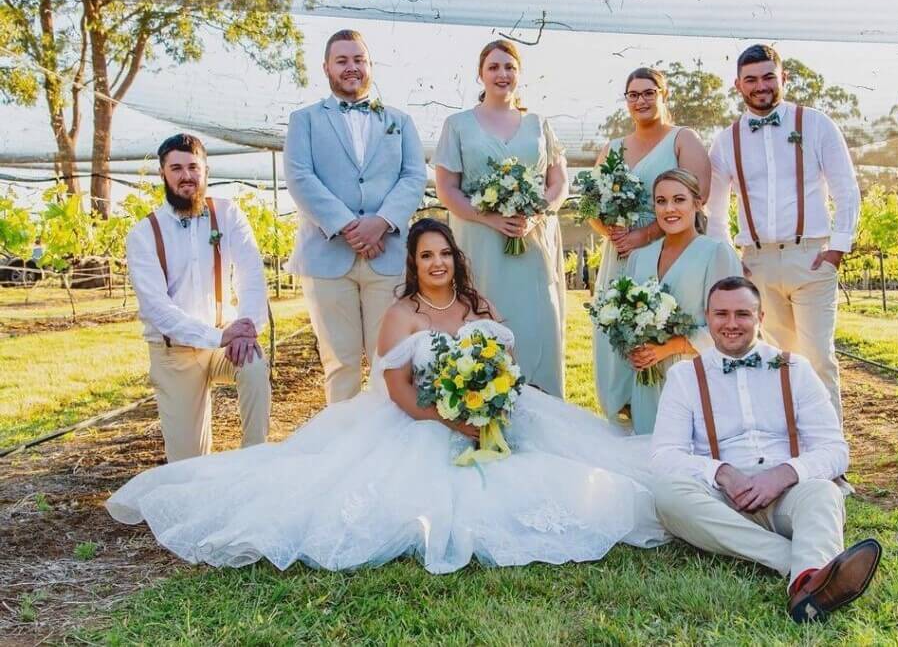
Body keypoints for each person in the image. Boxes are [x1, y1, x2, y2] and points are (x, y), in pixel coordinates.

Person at [107, 219, 668, 573]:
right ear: (414, 265)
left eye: (444, 254)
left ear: (455, 258)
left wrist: (491, 406)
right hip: (420, 423)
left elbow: (509, 367)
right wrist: (451, 419)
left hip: (493, 418)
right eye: (426, 257)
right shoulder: (400, 316)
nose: (437, 264)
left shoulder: (480, 308)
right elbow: (397, 391)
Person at [651, 276, 880, 623]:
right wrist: (721, 473)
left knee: (823, 494)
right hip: (722, 501)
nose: (731, 324)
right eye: (721, 314)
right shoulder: (684, 377)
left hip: (787, 495)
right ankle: (806, 571)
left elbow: (835, 449)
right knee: (667, 496)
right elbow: (663, 456)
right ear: (707, 318)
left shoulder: (796, 369)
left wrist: (784, 474)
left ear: (760, 318)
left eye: (742, 314)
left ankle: (805, 585)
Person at [706, 44, 860, 421]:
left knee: (818, 360)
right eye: (751, 79)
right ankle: (789, 450)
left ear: (783, 78)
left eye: (768, 77)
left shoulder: (817, 124)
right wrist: (731, 262)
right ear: (738, 85)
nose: (761, 86)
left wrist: (837, 249)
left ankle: (830, 462)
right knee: (776, 361)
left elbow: (846, 188)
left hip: (809, 257)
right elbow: (714, 208)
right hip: (755, 264)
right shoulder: (726, 140)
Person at [284, 28, 427, 405]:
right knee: (340, 364)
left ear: (370, 65)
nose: (352, 68)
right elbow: (300, 177)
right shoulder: (305, 121)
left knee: (391, 361)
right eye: (342, 60)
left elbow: (414, 176)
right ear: (327, 68)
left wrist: (380, 222)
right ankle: (343, 453)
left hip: (388, 256)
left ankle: (388, 448)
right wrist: (350, 227)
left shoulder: (401, 121)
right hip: (326, 257)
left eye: (358, 59)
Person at [433, 39, 568, 397]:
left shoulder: (540, 124)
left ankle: (544, 403)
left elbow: (559, 183)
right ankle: (483, 402)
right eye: (493, 67)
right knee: (484, 317)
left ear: (519, 74)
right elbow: (447, 188)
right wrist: (490, 219)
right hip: (479, 242)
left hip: (532, 242)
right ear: (480, 75)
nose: (502, 74)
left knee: (538, 320)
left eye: (509, 67)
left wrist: (538, 213)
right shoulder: (458, 125)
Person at [125, 134, 270, 462]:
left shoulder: (228, 214)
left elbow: (251, 274)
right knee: (188, 464)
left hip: (226, 341)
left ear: (206, 171)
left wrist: (246, 328)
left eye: (193, 167)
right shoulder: (144, 234)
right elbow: (158, 309)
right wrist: (218, 336)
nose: (186, 175)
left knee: (254, 363)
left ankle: (255, 464)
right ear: (163, 173)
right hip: (174, 353)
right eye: (176, 168)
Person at [591, 67, 712, 423]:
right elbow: (592, 205)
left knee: (659, 328)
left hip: (668, 251)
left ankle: (663, 416)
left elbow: (698, 194)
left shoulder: (682, 139)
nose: (641, 100)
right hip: (620, 254)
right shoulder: (612, 148)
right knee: (615, 330)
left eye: (649, 92)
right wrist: (612, 232)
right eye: (633, 94)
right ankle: (621, 415)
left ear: (664, 95)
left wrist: (644, 236)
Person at [624, 169, 742, 435]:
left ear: (697, 204)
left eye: (679, 200)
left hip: (697, 381)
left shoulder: (716, 254)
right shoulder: (638, 258)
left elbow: (731, 328)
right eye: (661, 201)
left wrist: (670, 347)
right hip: (647, 383)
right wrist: (634, 347)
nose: (669, 209)